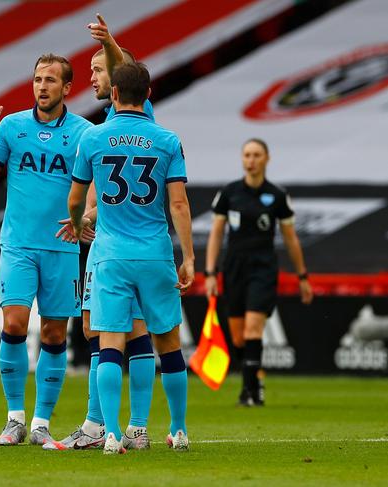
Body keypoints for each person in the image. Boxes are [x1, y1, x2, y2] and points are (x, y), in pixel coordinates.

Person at [69, 62, 195, 454]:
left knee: (109, 342)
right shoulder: (167, 140)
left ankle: (109, 434)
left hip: (111, 254)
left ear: (114, 95)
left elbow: (76, 198)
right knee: (168, 344)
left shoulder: (93, 138)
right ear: (149, 93)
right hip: (155, 253)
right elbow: (178, 203)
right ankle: (176, 430)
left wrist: (78, 222)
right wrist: (188, 256)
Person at [46, 14, 156, 451]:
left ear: (116, 81)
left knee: (104, 329)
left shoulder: (133, 109)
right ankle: (131, 427)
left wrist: (110, 43)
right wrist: (88, 216)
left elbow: (119, 66)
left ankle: (98, 425)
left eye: (96, 70)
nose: (91, 76)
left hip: (116, 247)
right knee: (123, 329)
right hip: (126, 241)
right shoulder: (116, 126)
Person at [0, 54, 93, 446]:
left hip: (62, 247)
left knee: (55, 334)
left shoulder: (83, 133)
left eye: (51, 80)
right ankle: (14, 418)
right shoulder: (11, 126)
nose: (42, 86)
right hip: (19, 244)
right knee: (14, 325)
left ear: (67, 88)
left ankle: (41, 422)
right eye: (38, 79)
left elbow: (94, 185)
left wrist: (85, 217)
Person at [204, 138, 313, 406]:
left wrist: (302, 277)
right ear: (242, 159)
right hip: (234, 268)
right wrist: (209, 272)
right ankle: (255, 378)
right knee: (239, 336)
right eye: (247, 155)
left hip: (263, 267)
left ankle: (250, 392)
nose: (251, 160)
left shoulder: (276, 196)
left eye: (256, 155)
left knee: (254, 327)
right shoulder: (229, 193)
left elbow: (290, 239)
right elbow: (217, 233)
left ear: (267, 159)